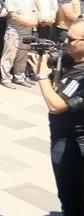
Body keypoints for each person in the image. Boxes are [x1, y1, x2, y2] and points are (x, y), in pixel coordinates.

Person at [29, 21, 84, 216]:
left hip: (75, 141)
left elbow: (56, 105)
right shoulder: (69, 60)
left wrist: (43, 77)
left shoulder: (82, 73)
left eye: (71, 39)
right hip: (61, 135)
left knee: (75, 195)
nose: (65, 42)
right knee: (66, 193)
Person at [0, 0, 38, 88]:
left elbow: (34, 11)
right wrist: (29, 23)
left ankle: (19, 77)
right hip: (14, 32)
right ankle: (6, 78)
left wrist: (34, 21)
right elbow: (14, 16)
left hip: (27, 32)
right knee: (9, 56)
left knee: (23, 56)